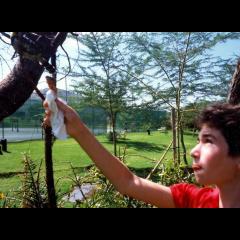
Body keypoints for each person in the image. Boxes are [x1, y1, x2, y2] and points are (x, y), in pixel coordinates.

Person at [43, 98, 240, 208]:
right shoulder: (195, 201)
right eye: (198, 140)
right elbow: (128, 183)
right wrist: (78, 130)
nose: (193, 151)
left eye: (208, 141)